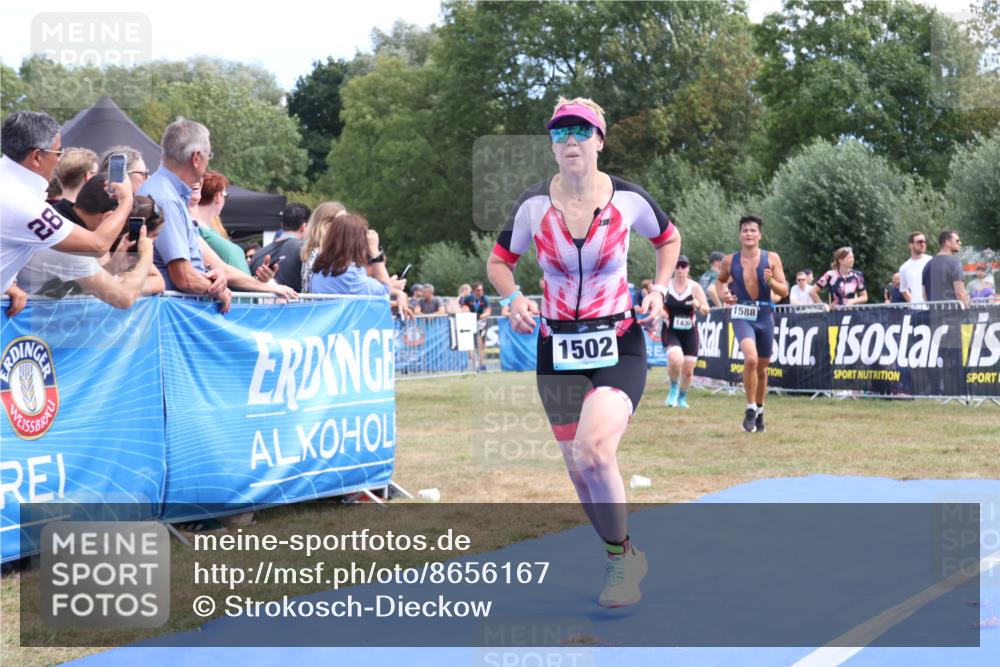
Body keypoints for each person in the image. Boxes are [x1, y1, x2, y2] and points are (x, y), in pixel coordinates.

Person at [488, 96, 680, 608]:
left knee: (594, 450)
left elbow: (668, 239)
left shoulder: (628, 198)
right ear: (552, 146)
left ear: (599, 140)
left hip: (618, 342)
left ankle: (619, 565)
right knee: (579, 469)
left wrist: (660, 289)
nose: (569, 140)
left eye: (580, 131)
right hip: (556, 349)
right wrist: (512, 299)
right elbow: (499, 262)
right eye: (559, 132)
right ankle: (623, 552)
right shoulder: (533, 205)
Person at [1, 110, 136, 317]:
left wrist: (7, 283)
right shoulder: (23, 203)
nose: (60, 159)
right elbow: (98, 245)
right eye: (58, 152)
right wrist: (126, 201)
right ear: (37, 156)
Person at [16, 174, 162, 308]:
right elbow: (124, 298)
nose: (122, 229)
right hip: (38, 322)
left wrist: (114, 265)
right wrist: (146, 256)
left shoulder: (55, 217)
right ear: (108, 217)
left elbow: (76, 288)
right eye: (122, 220)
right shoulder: (71, 244)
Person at [139, 117, 231, 312]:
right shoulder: (167, 199)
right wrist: (218, 289)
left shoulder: (166, 192)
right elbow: (183, 277)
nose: (208, 162)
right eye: (209, 155)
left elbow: (186, 267)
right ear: (196, 158)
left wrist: (209, 273)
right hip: (174, 315)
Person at [716, 215, 788, 433]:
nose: (749, 234)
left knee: (762, 368)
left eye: (753, 230)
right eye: (745, 230)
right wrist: (724, 295)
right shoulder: (730, 260)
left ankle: (759, 409)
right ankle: (749, 408)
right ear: (740, 235)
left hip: (765, 314)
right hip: (741, 313)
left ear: (760, 235)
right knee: (751, 359)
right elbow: (720, 281)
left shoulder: (772, 258)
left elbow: (784, 290)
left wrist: (771, 281)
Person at [309, 213, 405, 298]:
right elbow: (385, 292)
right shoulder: (350, 275)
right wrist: (375, 252)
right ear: (356, 243)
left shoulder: (320, 268)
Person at [662, 255, 710, 409]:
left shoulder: (694, 287)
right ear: (673, 268)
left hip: (690, 332)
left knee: (688, 371)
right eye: (677, 266)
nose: (680, 270)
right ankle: (673, 388)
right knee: (676, 359)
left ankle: (682, 397)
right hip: (671, 330)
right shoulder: (666, 285)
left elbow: (706, 310)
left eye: (683, 266)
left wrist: (698, 305)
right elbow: (657, 304)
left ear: (688, 269)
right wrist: (661, 312)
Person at [193, 171, 250, 274]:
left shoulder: (209, 230)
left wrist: (258, 279)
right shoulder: (196, 229)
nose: (225, 199)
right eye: (225, 195)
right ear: (218, 197)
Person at [249, 203, 312, 291]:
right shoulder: (306, 250)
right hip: (296, 299)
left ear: (282, 225)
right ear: (304, 227)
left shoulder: (257, 255)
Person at [298, 201, 345, 293]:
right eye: (342, 221)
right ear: (326, 225)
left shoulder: (312, 250)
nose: (347, 224)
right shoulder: (324, 253)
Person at [922, 230, 970, 308]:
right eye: (957, 241)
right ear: (947, 243)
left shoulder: (927, 265)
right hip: (953, 312)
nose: (960, 243)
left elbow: (924, 295)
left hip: (933, 313)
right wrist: (967, 308)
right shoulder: (955, 263)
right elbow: (960, 294)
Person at [460, 282, 492, 371]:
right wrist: (470, 315)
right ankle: (475, 364)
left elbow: (488, 311)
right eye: (478, 290)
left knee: (481, 344)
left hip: (481, 323)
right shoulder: (468, 298)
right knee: (470, 344)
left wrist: (480, 316)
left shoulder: (484, 298)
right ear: (474, 290)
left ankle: (481, 364)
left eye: (482, 290)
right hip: (469, 322)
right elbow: (464, 309)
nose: (480, 291)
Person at [898, 231, 931, 303]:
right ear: (911, 245)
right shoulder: (904, 268)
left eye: (924, 242)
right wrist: (913, 303)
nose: (922, 244)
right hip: (916, 308)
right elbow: (903, 290)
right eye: (919, 242)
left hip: (933, 306)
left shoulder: (932, 262)